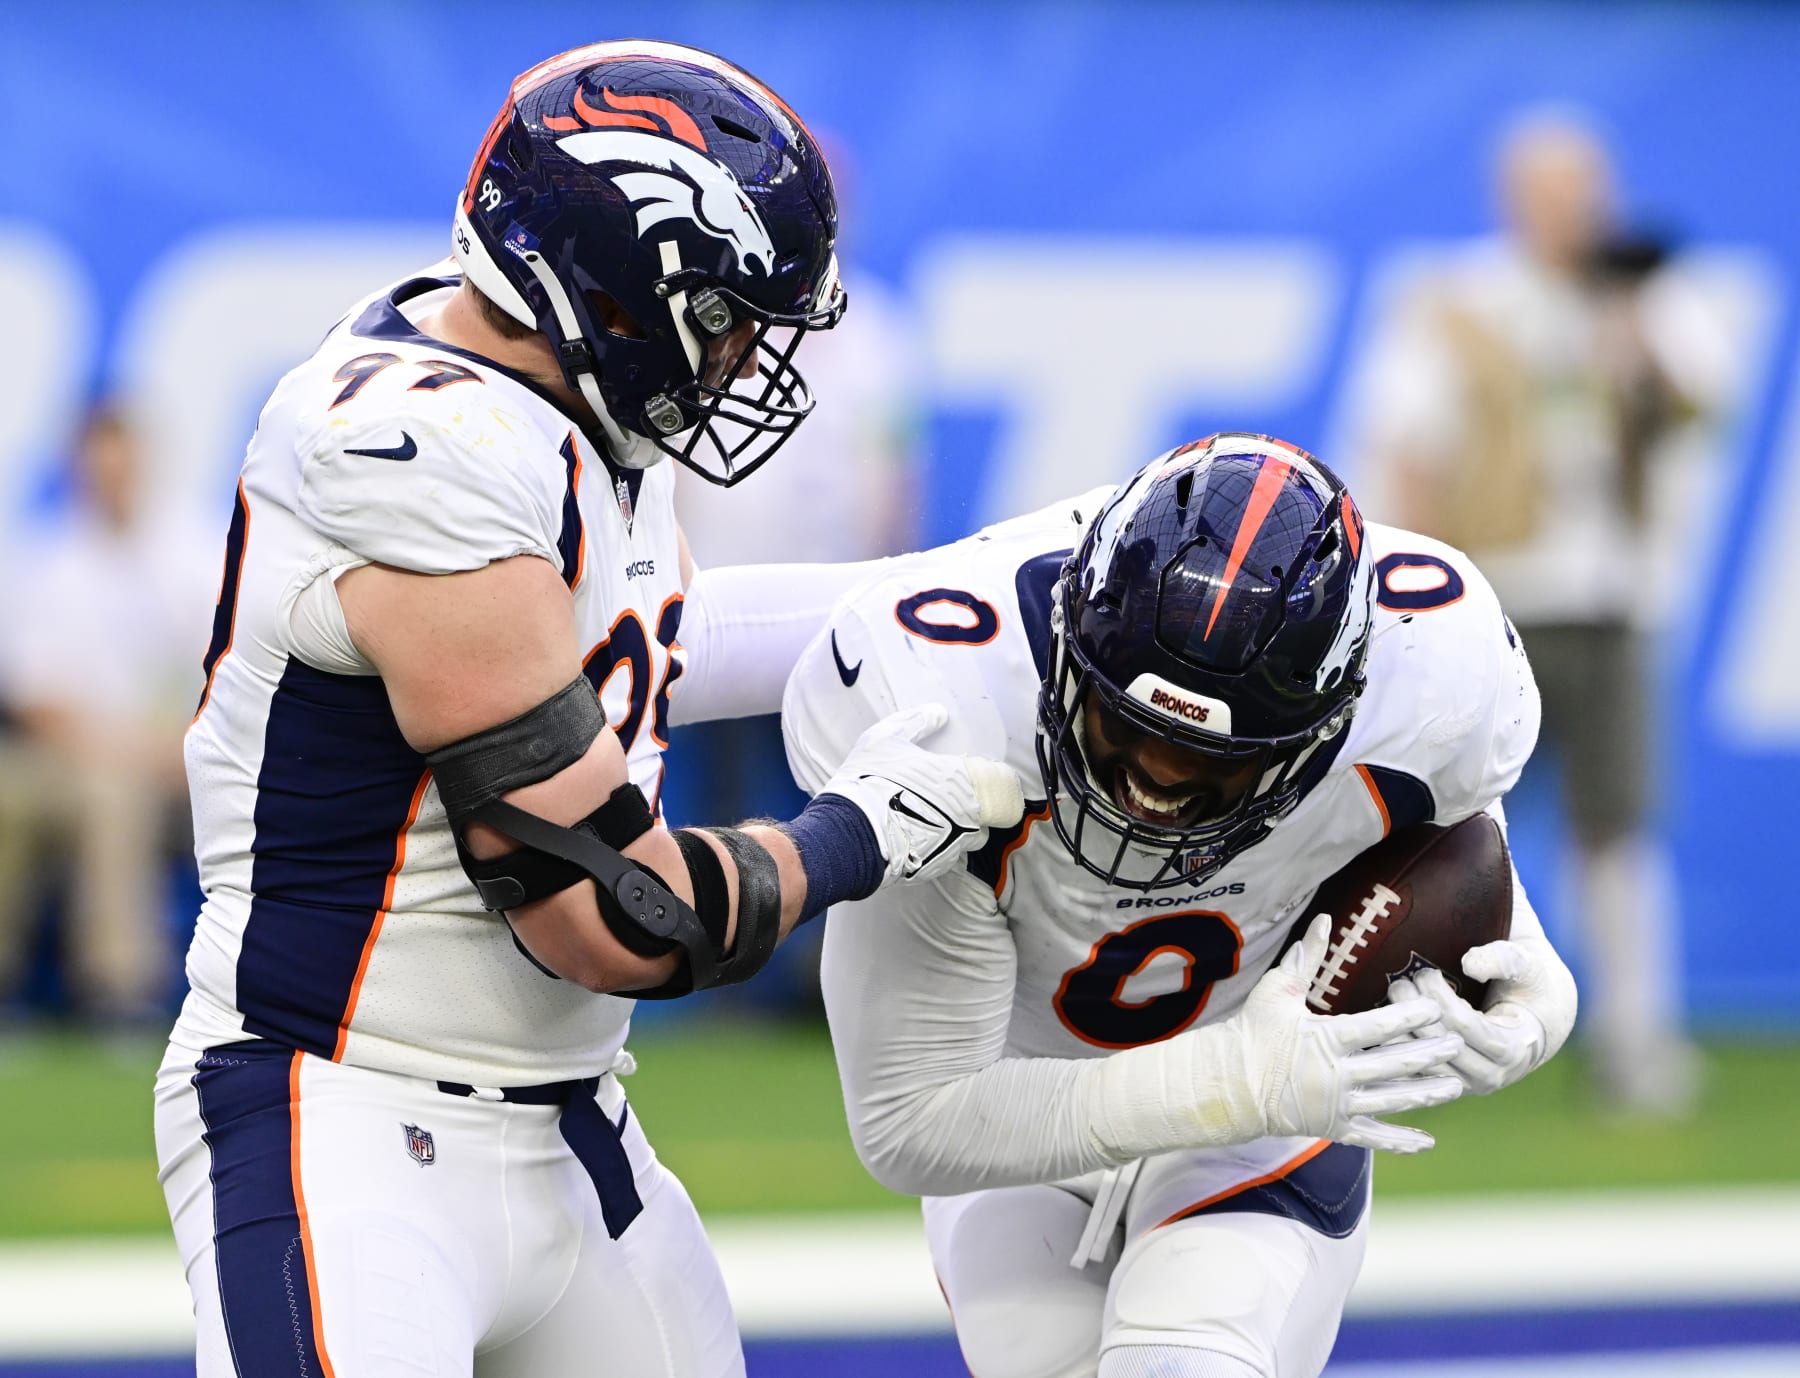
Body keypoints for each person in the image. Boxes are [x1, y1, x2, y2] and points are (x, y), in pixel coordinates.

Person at [152, 41, 1023, 1378]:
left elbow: (653, 641)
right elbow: (617, 909)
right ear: (615, 287)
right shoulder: (424, 449)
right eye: (725, 311)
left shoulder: (571, 411)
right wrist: (856, 835)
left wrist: (1012, 580)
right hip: (343, 1111)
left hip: (572, 1123)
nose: (743, 355)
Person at [783, 434, 1579, 1378]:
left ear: (1323, 725)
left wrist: (1537, 999)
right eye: (1127, 723)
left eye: (1213, 758)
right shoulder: (950, 707)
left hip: (1268, 1122)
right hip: (1022, 1115)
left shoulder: (1430, 686)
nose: (1154, 782)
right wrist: (1234, 1077)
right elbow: (911, 1125)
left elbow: (1450, 848)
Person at [1352, 109, 1722, 1115]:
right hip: (1492, 597)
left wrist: (1627, 324)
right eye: (1551, 193)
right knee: (1441, 832)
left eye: (1584, 189)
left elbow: (1699, 405)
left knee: (1617, 826)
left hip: (1606, 593)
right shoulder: (1459, 304)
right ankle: (1416, 1040)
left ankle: (1636, 1044)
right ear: (1514, 200)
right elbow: (1409, 449)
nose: (1572, 212)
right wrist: (1410, 605)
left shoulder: (1648, 300)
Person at [0, 403, 211, 1027]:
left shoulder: (196, 553)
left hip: (182, 759)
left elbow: (227, 674)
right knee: (15, 793)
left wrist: (176, 747)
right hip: (77, 757)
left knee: (113, 796)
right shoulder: (49, 562)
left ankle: (119, 990)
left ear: (143, 462)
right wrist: (118, 748)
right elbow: (35, 700)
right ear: (78, 468)